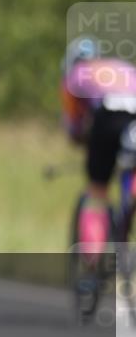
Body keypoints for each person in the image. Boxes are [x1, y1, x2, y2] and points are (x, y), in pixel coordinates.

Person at [60, 35, 136, 261]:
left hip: (108, 117)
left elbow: (74, 124)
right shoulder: (123, 68)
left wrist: (82, 139)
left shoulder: (76, 75)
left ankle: (91, 261)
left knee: (97, 191)